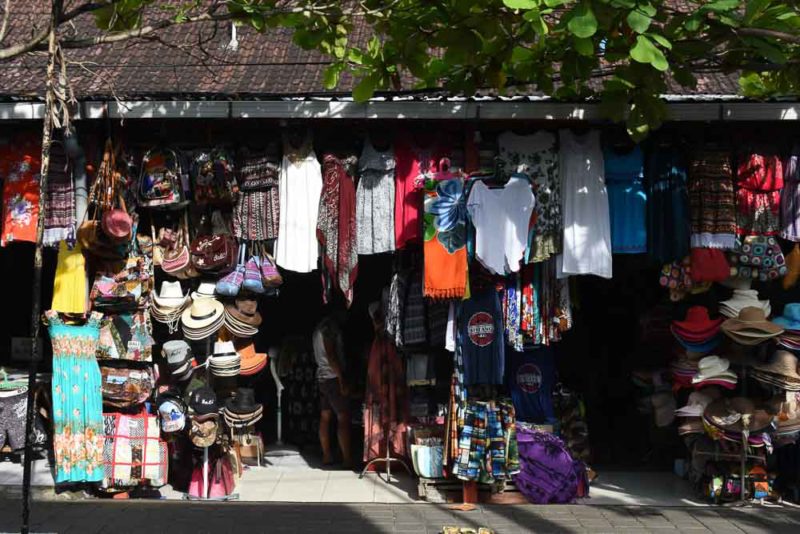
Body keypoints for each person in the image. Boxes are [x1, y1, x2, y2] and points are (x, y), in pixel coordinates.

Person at [313, 311, 352, 467]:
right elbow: (331, 356)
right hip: (332, 378)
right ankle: (347, 458)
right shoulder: (328, 328)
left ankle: (327, 455)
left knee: (325, 416)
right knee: (343, 416)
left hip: (322, 377)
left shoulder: (318, 329)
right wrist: (342, 379)